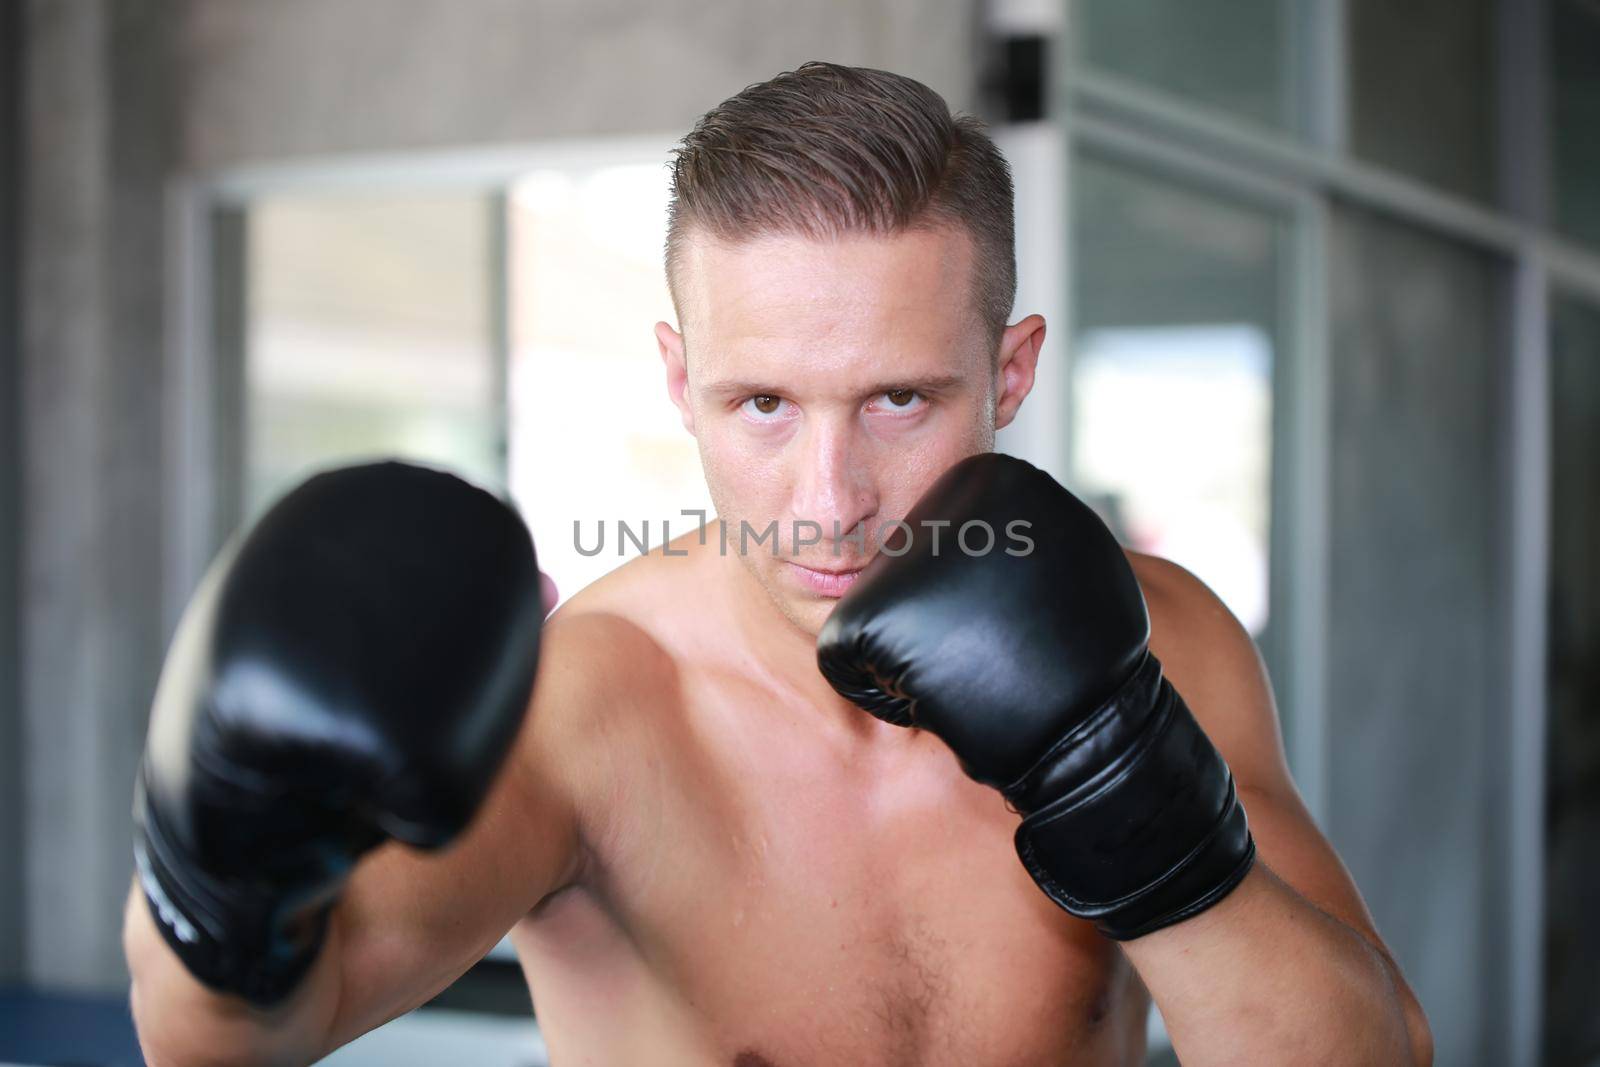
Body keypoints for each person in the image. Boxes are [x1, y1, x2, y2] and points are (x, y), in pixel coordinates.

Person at [124, 62, 1433, 1066]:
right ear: (681, 383)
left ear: (1013, 372)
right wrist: (219, 857)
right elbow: (229, 1040)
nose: (829, 501)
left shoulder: (1164, 640)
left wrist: (1128, 791)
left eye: (900, 401)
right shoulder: (594, 703)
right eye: (762, 407)